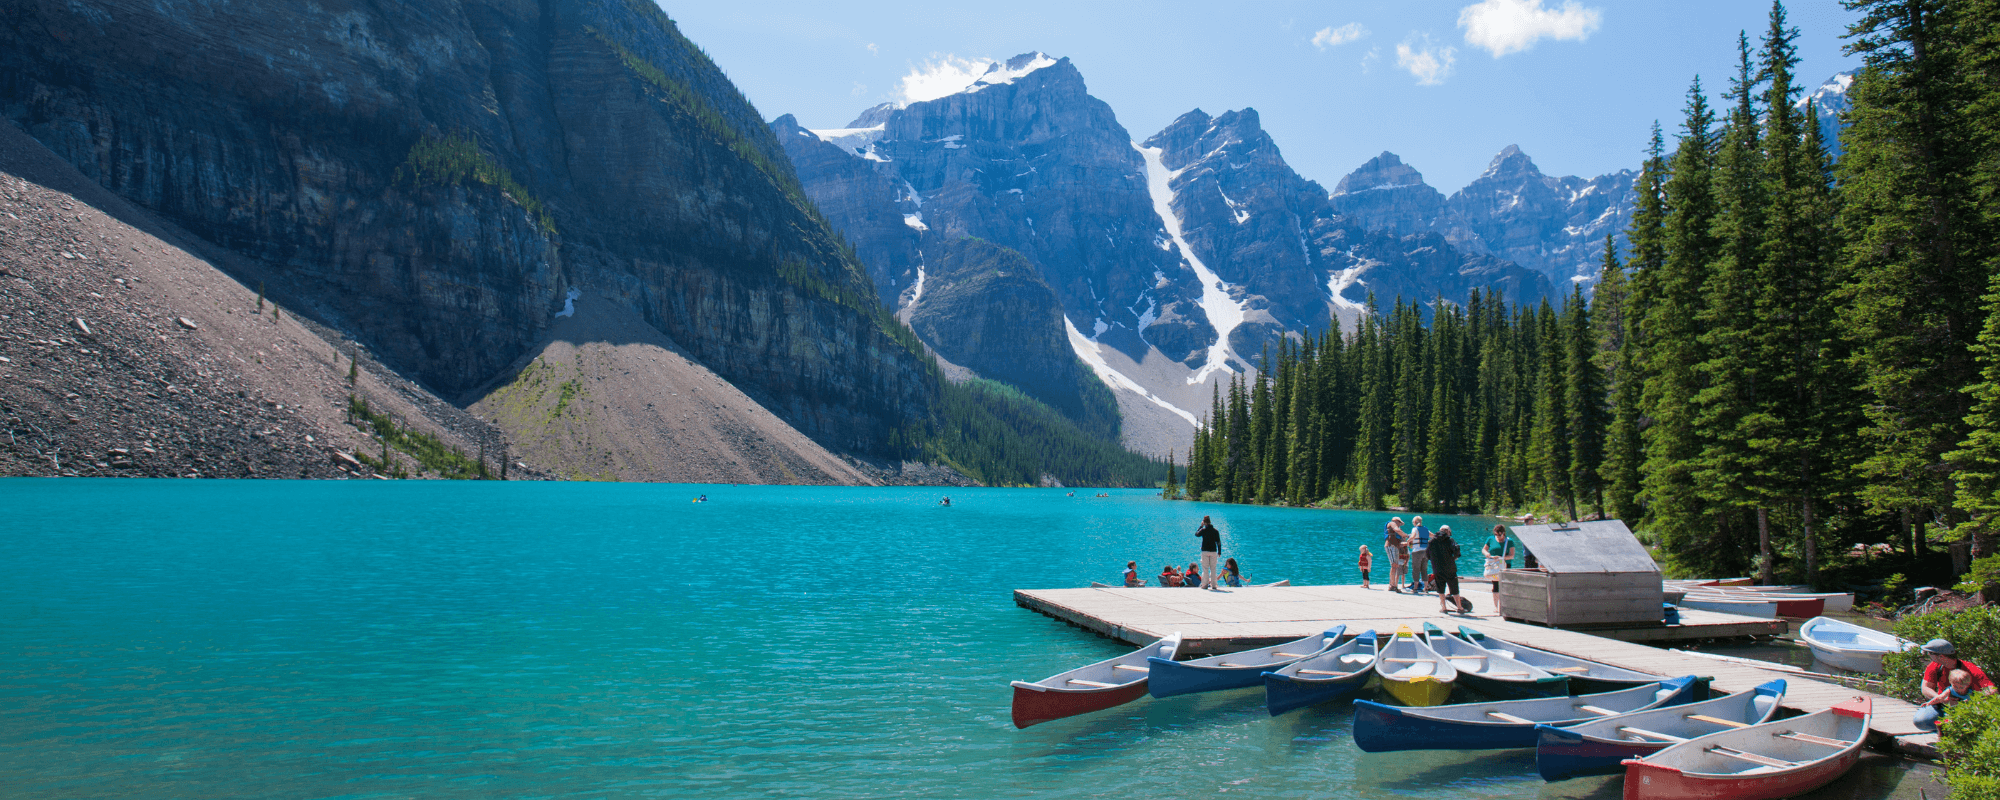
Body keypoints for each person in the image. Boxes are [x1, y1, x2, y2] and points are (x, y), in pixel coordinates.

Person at [1915, 638, 1996, 731]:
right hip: (1943, 705)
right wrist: (1942, 698)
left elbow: (1993, 691)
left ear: (1941, 656)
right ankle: (1945, 727)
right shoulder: (1934, 666)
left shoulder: (1970, 669)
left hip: (1967, 708)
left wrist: (1968, 702)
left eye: (1930, 653)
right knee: (1920, 721)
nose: (1928, 656)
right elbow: (1925, 688)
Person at [1432, 525, 1465, 614]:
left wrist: (1434, 560)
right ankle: (1459, 607)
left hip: (1437, 568)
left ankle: (1444, 607)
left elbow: (1427, 554)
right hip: (1450, 568)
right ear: (1448, 532)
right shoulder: (1450, 540)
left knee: (1440, 589)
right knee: (1454, 588)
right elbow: (1457, 549)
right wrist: (1454, 557)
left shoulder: (1432, 541)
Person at [1194, 515, 1223, 591]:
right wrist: (1219, 551)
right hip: (1213, 551)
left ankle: (1205, 584)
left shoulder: (1203, 530)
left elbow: (1196, 534)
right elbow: (1218, 542)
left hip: (1205, 551)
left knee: (1205, 568)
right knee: (1213, 568)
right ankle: (1214, 585)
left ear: (1204, 522)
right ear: (1210, 522)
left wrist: (1200, 526)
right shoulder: (1215, 531)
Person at [1483, 524, 1515, 590]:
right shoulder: (1490, 539)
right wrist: (1487, 554)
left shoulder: (1509, 541)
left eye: (1499, 535)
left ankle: (1502, 600)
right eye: (1496, 535)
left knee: (1504, 586)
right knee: (1495, 585)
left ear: (1503, 533)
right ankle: (1495, 600)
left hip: (1505, 565)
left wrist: (1501, 558)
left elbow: (1512, 555)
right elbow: (1484, 549)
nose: (1497, 537)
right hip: (1494, 565)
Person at [1407, 515, 1433, 593]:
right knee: (1424, 570)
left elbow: (1413, 536)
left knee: (1416, 569)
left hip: (1417, 551)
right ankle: (1426, 588)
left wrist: (1408, 541)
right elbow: (1433, 536)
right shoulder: (1426, 529)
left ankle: (1415, 588)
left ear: (1415, 522)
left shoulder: (1415, 529)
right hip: (1426, 551)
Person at [1384, 517, 1408, 593]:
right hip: (1391, 546)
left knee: (1395, 565)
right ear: (1396, 521)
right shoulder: (1392, 523)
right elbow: (1397, 530)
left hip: (1395, 547)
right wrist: (1406, 535)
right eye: (1399, 523)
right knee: (1394, 565)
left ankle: (1392, 585)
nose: (1400, 525)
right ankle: (1392, 585)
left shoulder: (1395, 528)